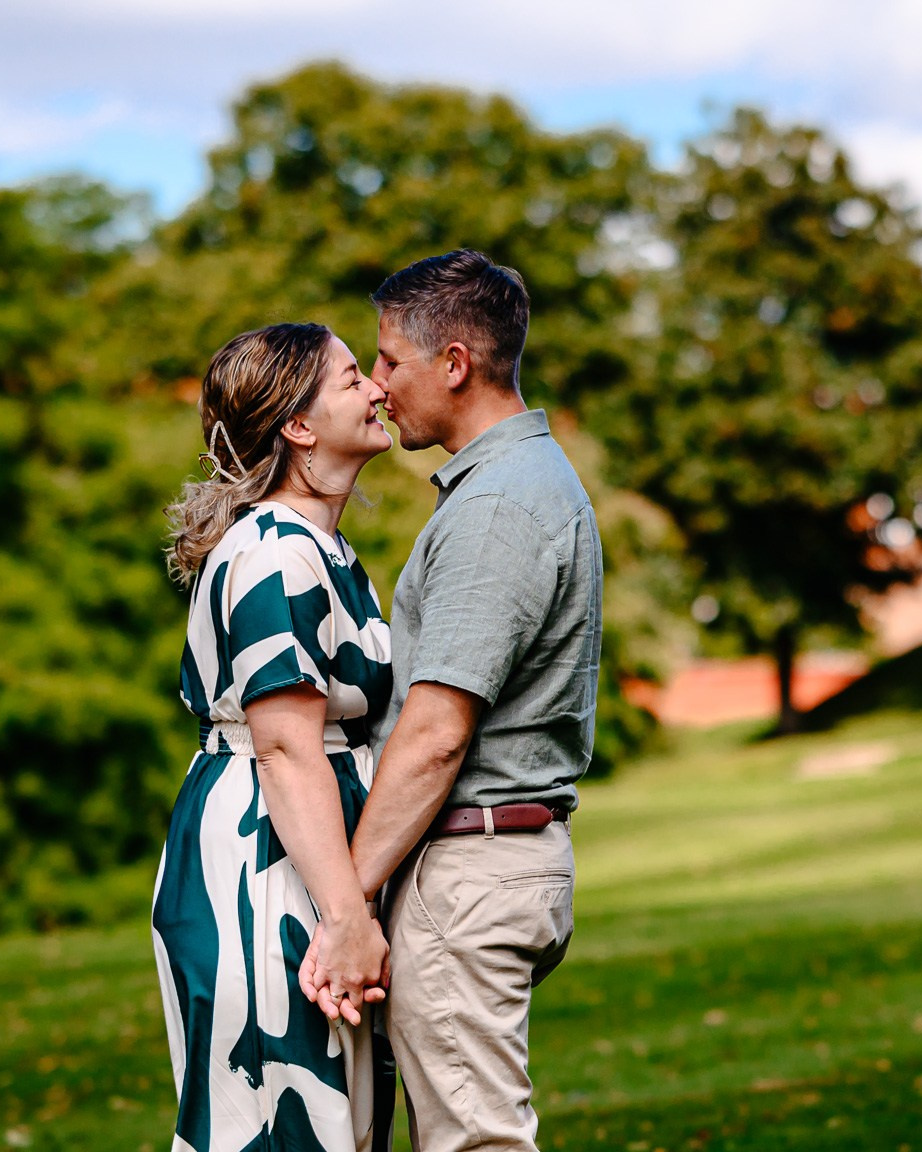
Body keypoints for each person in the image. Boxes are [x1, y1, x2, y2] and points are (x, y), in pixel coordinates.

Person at [303, 250, 604, 1152]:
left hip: (471, 871)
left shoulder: (499, 506)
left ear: (456, 364)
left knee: (476, 1144)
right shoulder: (516, 485)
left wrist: (344, 908)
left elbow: (437, 733)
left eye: (389, 360)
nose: (380, 384)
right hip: (486, 864)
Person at [151, 322, 397, 1152]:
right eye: (354, 376)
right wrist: (346, 916)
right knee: (282, 1122)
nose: (377, 389)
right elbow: (286, 748)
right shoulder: (272, 555)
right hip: (268, 868)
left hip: (306, 858)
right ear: (298, 425)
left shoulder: (322, 548)